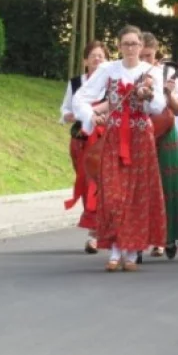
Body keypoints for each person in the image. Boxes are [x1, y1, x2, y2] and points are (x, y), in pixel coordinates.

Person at [72, 26, 167, 272]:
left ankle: (132, 253)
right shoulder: (108, 69)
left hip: (140, 138)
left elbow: (159, 106)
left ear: (141, 46)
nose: (130, 48)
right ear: (118, 46)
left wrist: (148, 95)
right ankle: (115, 250)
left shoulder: (151, 71)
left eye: (134, 44)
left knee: (136, 196)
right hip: (114, 137)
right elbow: (80, 98)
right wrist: (91, 116)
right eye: (126, 44)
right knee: (113, 195)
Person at [140, 33, 178, 259]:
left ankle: (176, 233)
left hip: (165, 134)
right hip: (142, 133)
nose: (145, 60)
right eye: (141, 56)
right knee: (148, 188)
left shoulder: (166, 73)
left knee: (172, 186)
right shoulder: (132, 72)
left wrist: (167, 92)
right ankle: (154, 237)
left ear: (156, 53)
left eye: (148, 55)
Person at [60, 40, 109, 254]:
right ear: (85, 61)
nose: (97, 59)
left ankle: (95, 233)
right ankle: (96, 229)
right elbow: (65, 109)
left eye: (101, 56)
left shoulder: (111, 83)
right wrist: (69, 115)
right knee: (85, 182)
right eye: (93, 56)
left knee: (98, 184)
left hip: (103, 140)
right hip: (80, 141)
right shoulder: (75, 83)